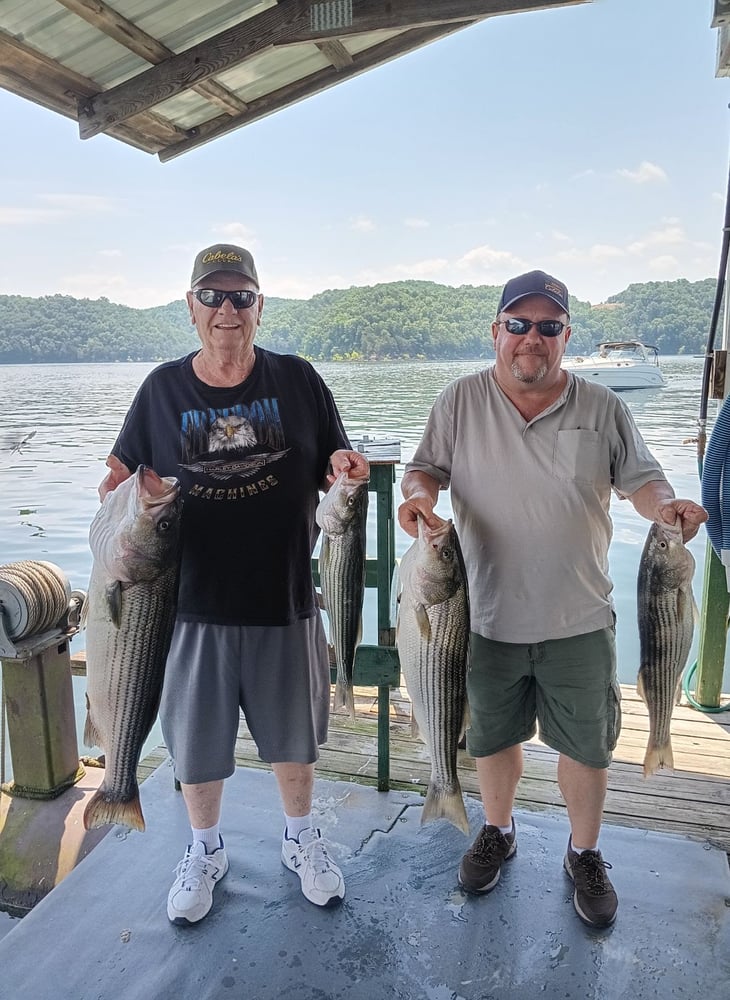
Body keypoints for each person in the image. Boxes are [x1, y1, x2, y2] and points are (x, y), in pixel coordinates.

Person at [397, 269, 707, 929]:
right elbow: (425, 468)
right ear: (496, 332)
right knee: (492, 739)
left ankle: (585, 852)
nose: (530, 339)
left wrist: (667, 510)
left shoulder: (603, 407)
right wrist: (420, 498)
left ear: (566, 335)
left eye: (547, 327)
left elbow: (644, 481)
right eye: (518, 325)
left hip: (579, 616)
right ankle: (498, 831)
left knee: (587, 748)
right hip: (478, 616)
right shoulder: (460, 401)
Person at [99, 243, 369, 926]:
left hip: (286, 598)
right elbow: (114, 476)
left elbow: (334, 463)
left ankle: (301, 837)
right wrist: (132, 502)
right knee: (197, 749)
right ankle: (204, 850)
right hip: (185, 607)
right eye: (213, 296)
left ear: (258, 306)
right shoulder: (161, 390)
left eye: (240, 296)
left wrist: (344, 471)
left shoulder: (298, 380)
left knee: (295, 743)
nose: (227, 310)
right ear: (191, 307)